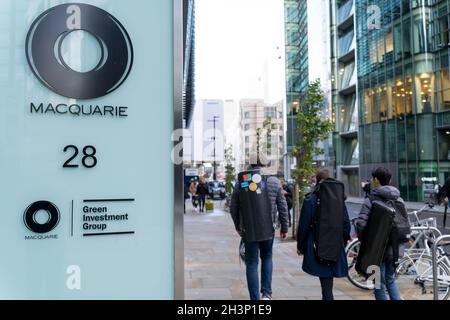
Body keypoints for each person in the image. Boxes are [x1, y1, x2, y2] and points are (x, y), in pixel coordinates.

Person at [230, 156, 289, 301]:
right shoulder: (274, 181)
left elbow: (233, 207)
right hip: (269, 229)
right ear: (266, 164)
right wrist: (284, 228)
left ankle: (254, 299)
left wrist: (238, 226)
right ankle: (267, 294)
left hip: (249, 229)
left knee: (251, 263)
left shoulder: (242, 181)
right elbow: (283, 206)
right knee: (267, 258)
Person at [296, 169, 351, 300]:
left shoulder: (311, 200)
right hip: (335, 246)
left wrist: (301, 246)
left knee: (326, 287)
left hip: (317, 246)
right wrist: (342, 241)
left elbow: (303, 226)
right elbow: (346, 225)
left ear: (317, 181)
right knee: (327, 285)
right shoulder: (339, 200)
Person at [355, 167, 403, 300]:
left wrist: (365, 242)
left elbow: (361, 224)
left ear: (376, 180)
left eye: (372, 178)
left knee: (378, 284)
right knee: (391, 281)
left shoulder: (371, 199)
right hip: (394, 249)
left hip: (375, 250)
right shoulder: (399, 199)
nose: (371, 180)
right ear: (390, 180)